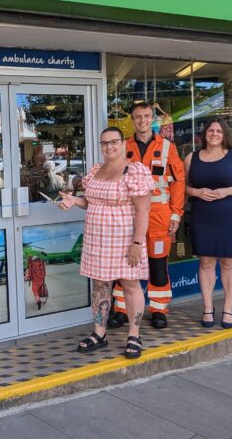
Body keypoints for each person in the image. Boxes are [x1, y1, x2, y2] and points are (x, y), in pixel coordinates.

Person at [58, 127, 154, 359]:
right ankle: (99, 333)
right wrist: (74, 201)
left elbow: (144, 210)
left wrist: (137, 243)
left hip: (125, 239)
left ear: (123, 144)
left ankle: (134, 334)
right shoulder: (95, 170)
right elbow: (92, 203)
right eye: (104, 143)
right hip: (97, 239)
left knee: (130, 285)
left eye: (113, 142)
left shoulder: (134, 171)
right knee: (101, 286)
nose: (109, 147)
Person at [110, 102, 186, 331]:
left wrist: (176, 215)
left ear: (152, 119)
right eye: (137, 117)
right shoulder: (124, 147)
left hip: (159, 215)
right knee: (125, 262)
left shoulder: (167, 147)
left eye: (146, 116)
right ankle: (122, 310)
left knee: (158, 263)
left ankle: (159, 310)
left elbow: (179, 181)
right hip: (128, 214)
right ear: (132, 120)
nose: (142, 120)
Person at [184, 119, 232, 330]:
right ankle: (207, 307)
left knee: (229, 263)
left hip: (229, 215)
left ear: (224, 134)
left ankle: (228, 309)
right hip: (202, 215)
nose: (214, 134)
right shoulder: (191, 158)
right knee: (206, 263)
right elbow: (182, 187)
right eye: (210, 130)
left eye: (218, 131)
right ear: (204, 134)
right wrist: (197, 192)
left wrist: (226, 191)